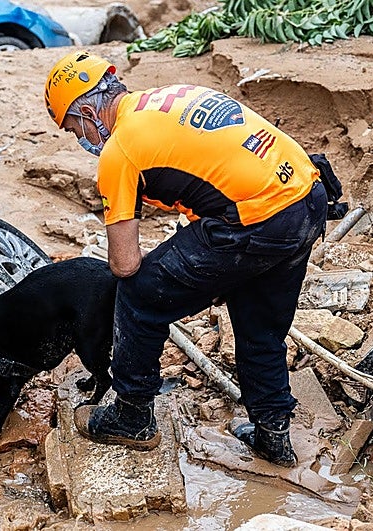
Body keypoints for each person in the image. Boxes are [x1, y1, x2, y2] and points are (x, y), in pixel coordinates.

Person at [44, 50, 328, 466]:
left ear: (87, 109)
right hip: (305, 199)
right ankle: (273, 434)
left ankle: (132, 415)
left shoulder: (119, 149)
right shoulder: (171, 96)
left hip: (257, 218)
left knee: (140, 297)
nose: (80, 139)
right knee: (259, 323)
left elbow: (125, 264)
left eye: (74, 129)